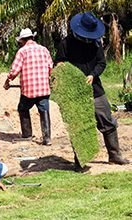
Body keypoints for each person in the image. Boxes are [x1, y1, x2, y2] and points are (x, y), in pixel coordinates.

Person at [55, 12, 130, 165]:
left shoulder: (95, 44)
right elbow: (59, 64)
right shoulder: (65, 43)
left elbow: (101, 63)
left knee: (108, 121)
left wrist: (93, 75)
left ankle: (114, 155)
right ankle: (80, 160)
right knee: (79, 126)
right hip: (74, 92)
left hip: (95, 89)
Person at [3, 28, 53, 145]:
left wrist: (7, 80)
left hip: (29, 90)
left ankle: (27, 135)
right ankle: (47, 138)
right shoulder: (44, 50)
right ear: (32, 38)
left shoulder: (22, 51)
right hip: (44, 88)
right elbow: (50, 67)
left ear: (23, 40)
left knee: (23, 108)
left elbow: (15, 70)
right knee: (44, 110)